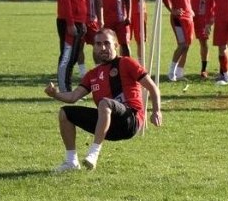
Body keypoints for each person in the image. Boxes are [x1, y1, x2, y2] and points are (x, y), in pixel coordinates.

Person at [45, 28, 163, 172]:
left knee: (104, 102)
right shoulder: (92, 74)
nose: (103, 48)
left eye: (107, 43)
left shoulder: (126, 63)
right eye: (98, 44)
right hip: (108, 125)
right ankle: (71, 162)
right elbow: (73, 97)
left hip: (130, 120)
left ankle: (93, 154)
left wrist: (156, 111)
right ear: (93, 47)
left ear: (116, 45)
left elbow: (153, 87)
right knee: (65, 113)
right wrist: (55, 94)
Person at [55, 0, 89, 91]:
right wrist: (70, 23)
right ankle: (64, 89)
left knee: (74, 56)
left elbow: (79, 0)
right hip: (70, 22)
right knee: (67, 56)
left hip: (78, 22)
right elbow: (65, 0)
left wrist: (84, 22)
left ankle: (66, 86)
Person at [161, 0, 197, 82]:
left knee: (187, 45)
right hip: (178, 18)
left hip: (189, 17)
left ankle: (179, 73)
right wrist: (172, 10)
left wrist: (191, 9)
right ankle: (171, 73)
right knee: (182, 45)